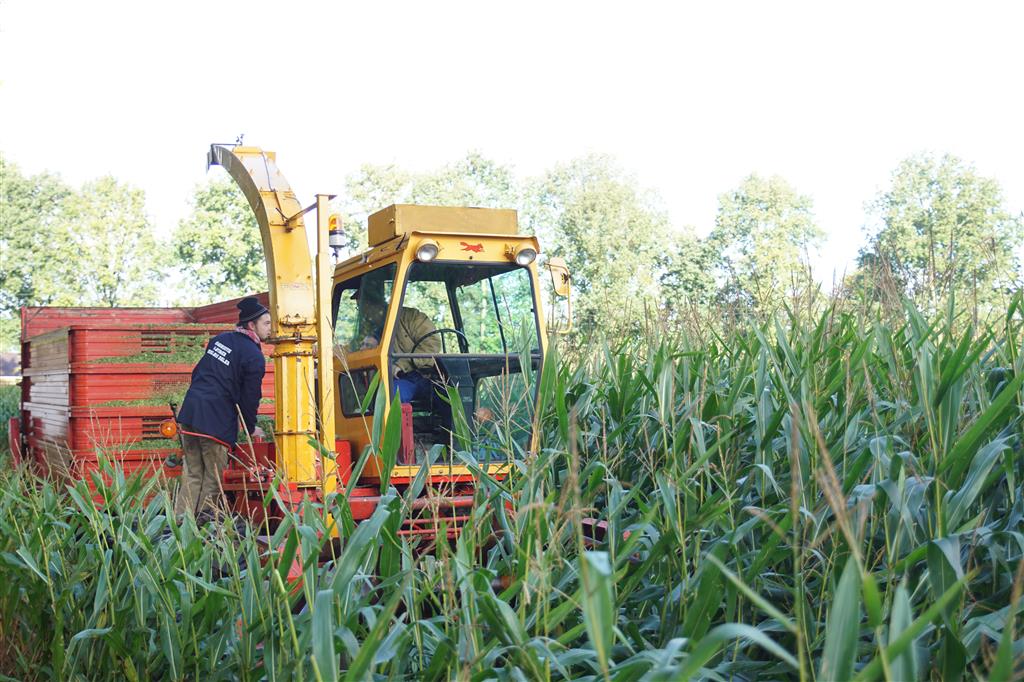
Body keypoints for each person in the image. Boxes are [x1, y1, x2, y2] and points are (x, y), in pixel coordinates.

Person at [174, 297, 271, 516]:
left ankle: (179, 527)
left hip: (190, 413)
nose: (270, 328)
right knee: (214, 477)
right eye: (266, 323)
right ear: (251, 325)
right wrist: (250, 425)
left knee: (193, 474)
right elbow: (250, 397)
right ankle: (202, 528)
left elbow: (197, 373)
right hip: (214, 421)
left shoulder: (219, 340)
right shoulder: (254, 356)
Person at [350, 288, 441, 403]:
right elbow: (354, 347)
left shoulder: (411, 318)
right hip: (391, 379)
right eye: (359, 308)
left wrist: (400, 366)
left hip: (421, 375)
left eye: (363, 307)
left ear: (374, 304)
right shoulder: (369, 328)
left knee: (391, 396)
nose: (362, 313)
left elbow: (431, 346)